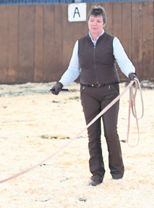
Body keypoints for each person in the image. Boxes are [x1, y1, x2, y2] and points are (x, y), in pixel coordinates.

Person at [50, 6, 137, 186]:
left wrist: (131, 73)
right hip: (88, 93)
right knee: (92, 134)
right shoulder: (80, 44)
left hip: (109, 92)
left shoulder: (112, 41)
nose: (94, 24)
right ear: (88, 22)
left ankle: (117, 173)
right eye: (92, 20)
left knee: (110, 131)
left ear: (103, 23)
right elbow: (74, 69)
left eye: (98, 21)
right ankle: (96, 175)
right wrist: (60, 83)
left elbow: (123, 60)